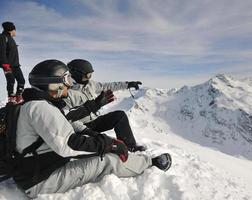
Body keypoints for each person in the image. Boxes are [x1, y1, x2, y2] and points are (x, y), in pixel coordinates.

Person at [13, 59, 171, 198]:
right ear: (54, 84)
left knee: (98, 144)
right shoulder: (41, 108)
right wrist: (109, 144)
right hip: (39, 179)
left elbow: (65, 124)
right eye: (66, 79)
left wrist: (95, 136)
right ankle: (149, 163)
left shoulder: (31, 105)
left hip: (36, 167)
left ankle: (133, 151)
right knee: (107, 159)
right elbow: (68, 145)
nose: (69, 84)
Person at [63, 59, 146, 152]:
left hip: (94, 121)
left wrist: (128, 84)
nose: (89, 78)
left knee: (120, 115)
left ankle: (130, 146)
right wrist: (87, 131)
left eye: (91, 74)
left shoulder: (90, 84)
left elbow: (107, 86)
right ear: (77, 74)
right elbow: (69, 119)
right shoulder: (67, 93)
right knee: (103, 141)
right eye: (88, 75)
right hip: (81, 128)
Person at [0, 21, 25, 104]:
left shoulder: (11, 39)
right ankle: (11, 98)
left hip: (16, 65)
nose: (15, 32)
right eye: (14, 30)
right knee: (11, 81)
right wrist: (5, 65)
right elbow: (1, 52)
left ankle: (18, 97)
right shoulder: (3, 37)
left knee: (21, 81)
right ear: (10, 30)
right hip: (7, 65)